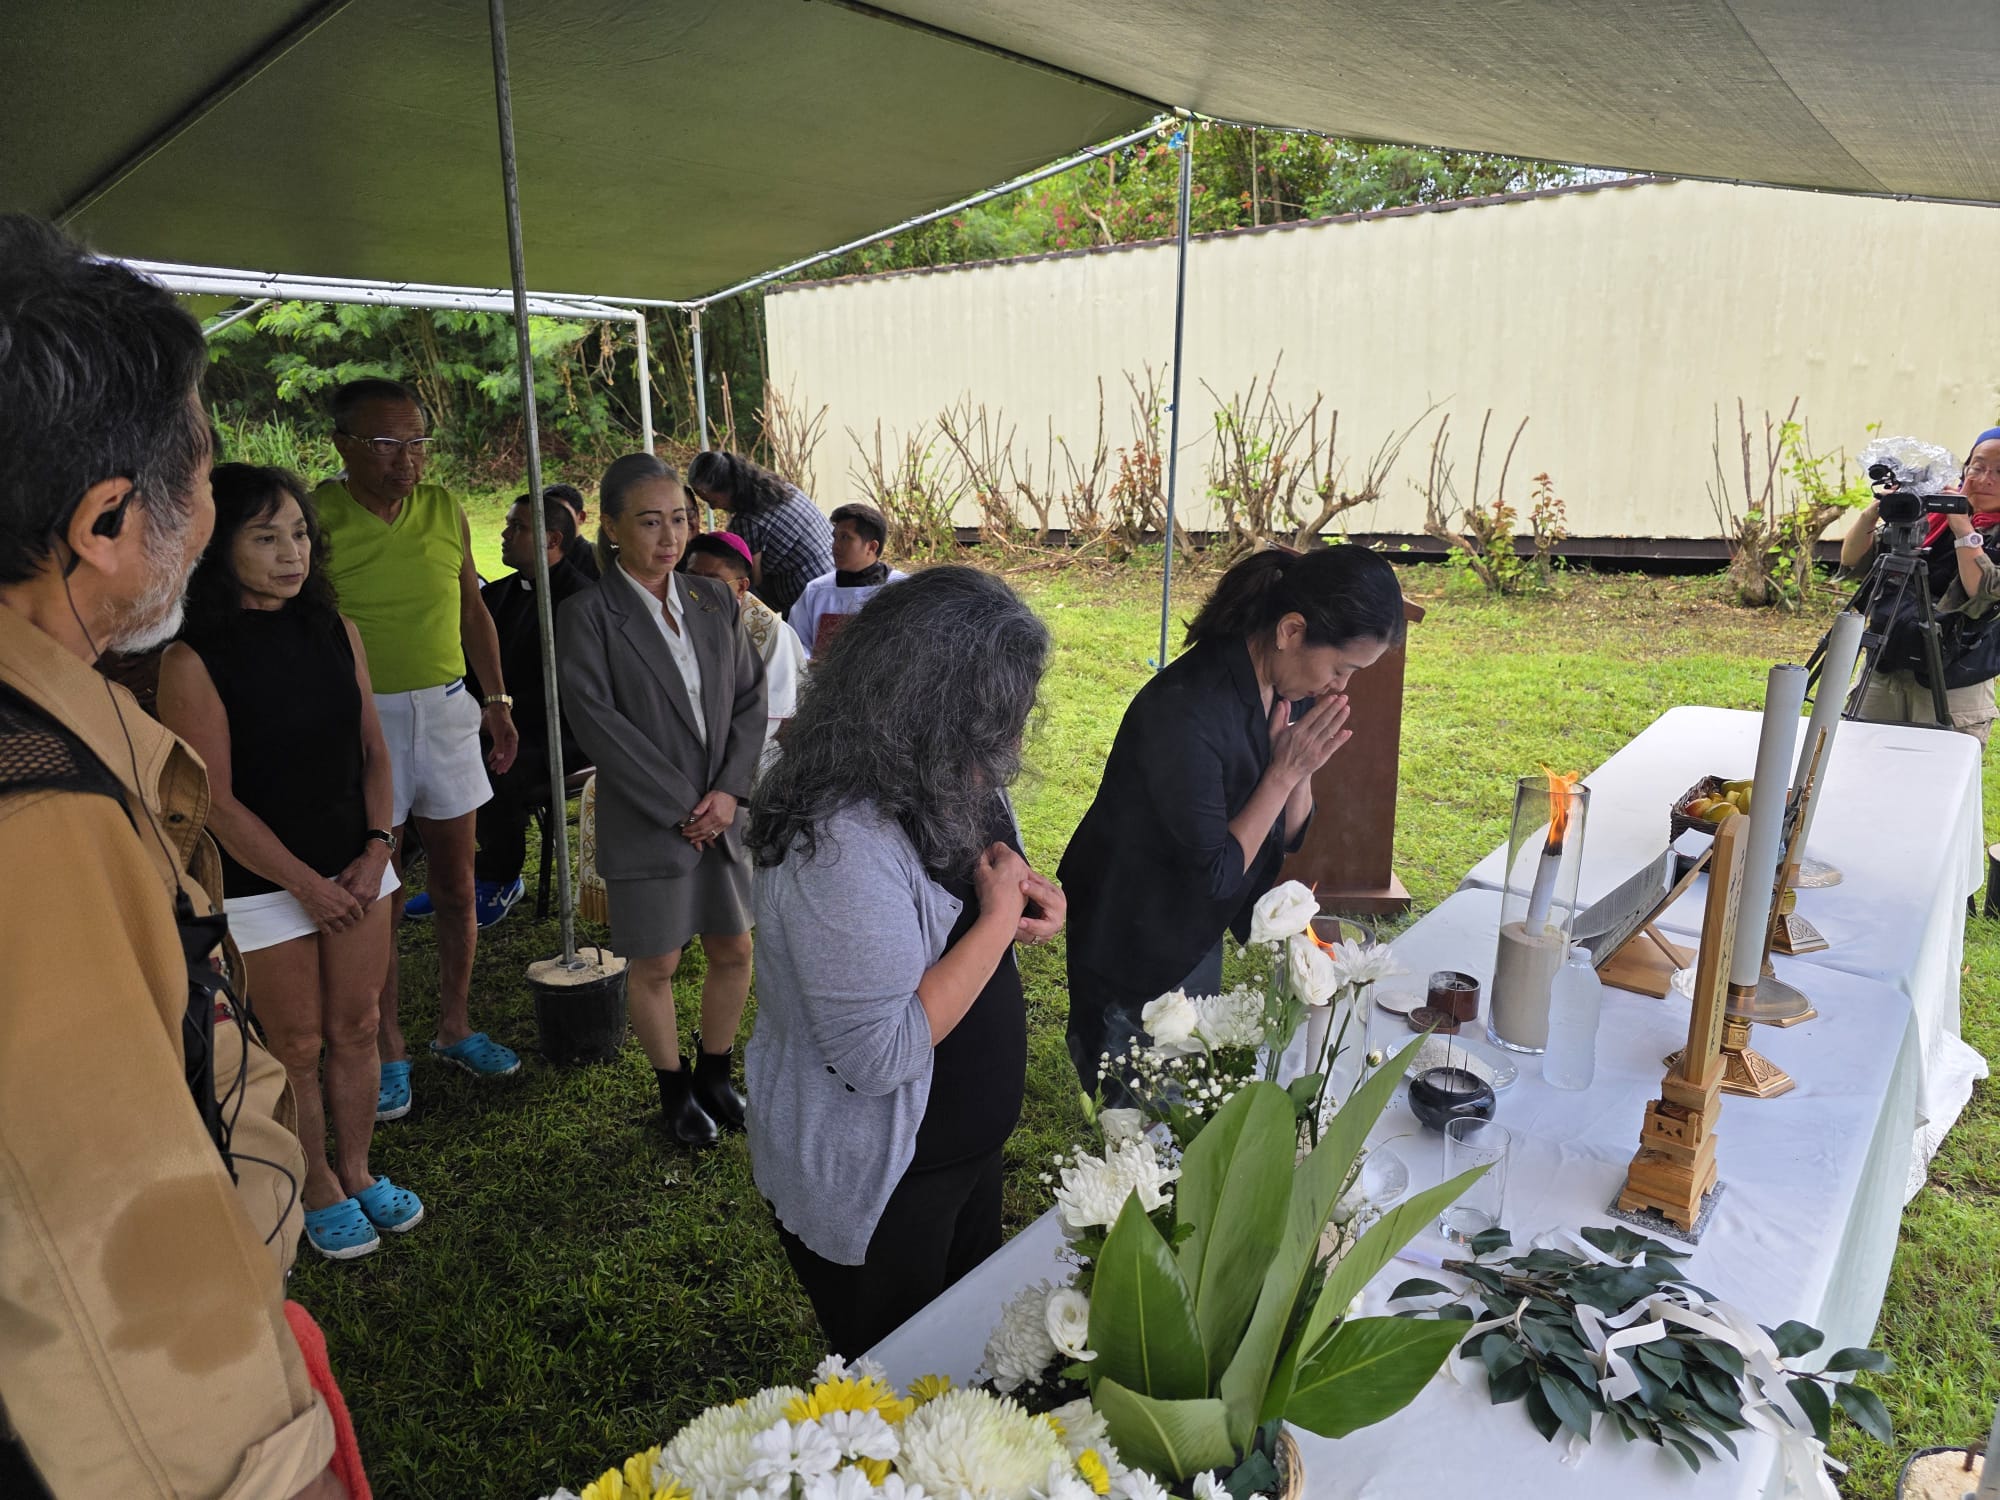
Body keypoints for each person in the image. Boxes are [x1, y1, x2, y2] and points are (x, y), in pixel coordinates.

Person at [0, 216, 344, 1495]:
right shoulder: (39, 821)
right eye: (199, 475)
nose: (214, 512)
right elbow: (112, 1280)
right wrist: (272, 1466)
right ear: (103, 523)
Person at [746, 566, 1064, 1357]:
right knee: (898, 1383)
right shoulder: (837, 837)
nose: (1014, 744)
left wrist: (1024, 891)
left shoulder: (956, 771)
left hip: (960, 1152)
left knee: (968, 1357)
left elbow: (985, 865)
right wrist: (995, 922)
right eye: (1002, 721)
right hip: (882, 1179)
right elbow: (880, 1054)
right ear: (927, 710)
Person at [159, 464, 423, 1261]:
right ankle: (314, 1184)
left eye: (300, 534)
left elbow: (375, 754)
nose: (291, 553)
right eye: (265, 536)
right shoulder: (190, 659)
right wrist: (305, 885)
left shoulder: (336, 630)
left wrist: (376, 852)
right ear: (215, 546)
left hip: (357, 869)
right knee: (296, 1044)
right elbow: (219, 804)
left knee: (358, 1025)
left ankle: (358, 1167)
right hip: (262, 886)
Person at [1059, 544, 1405, 1094]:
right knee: (1139, 1108)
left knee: (1190, 1079)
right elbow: (1214, 875)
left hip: (1197, 922)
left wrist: (1298, 771)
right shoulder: (1187, 712)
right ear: (1291, 630)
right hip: (1134, 927)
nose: (1342, 686)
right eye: (1342, 668)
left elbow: (1289, 835)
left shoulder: (1291, 688)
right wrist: (1281, 775)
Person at [314, 378, 521, 1123]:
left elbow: (472, 608)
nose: (408, 459)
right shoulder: (316, 517)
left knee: (460, 884)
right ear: (344, 445)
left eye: (418, 442)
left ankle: (456, 1025)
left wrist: (495, 701)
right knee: (383, 892)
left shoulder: (444, 510)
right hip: (362, 721)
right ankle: (392, 1045)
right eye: (387, 443)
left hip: (444, 709)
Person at [557, 455, 768, 1147]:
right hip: (655, 821)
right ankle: (672, 1087)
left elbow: (748, 699)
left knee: (733, 947)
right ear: (612, 527)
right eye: (649, 522)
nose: (669, 535)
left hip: (722, 815)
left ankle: (715, 1071)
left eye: (679, 518)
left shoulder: (711, 602)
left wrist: (729, 793)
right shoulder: (587, 616)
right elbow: (599, 726)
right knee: (656, 962)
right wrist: (688, 807)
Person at [407, 490, 590, 923]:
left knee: (497, 764)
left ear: (552, 539)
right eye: (507, 525)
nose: (505, 536)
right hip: (494, 718)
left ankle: (500, 876)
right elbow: (468, 666)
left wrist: (497, 716)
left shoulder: (582, 602)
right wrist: (474, 711)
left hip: (564, 729)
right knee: (424, 752)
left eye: (518, 527)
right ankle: (452, 876)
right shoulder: (495, 597)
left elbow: (572, 689)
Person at [1840, 427, 2000, 746]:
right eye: (1978, 467)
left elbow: (1981, 593)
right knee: (1860, 760)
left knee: (1937, 780)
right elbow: (1851, 558)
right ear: (1965, 467)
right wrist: (1879, 509)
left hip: (1954, 679)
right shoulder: (1927, 514)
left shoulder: (1963, 521)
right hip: (1887, 664)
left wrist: (1960, 522)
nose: (1986, 479)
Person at [683, 530, 808, 770]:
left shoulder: (772, 634)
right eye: (691, 576)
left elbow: (771, 714)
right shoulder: (675, 616)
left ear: (741, 586)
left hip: (747, 756)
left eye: (712, 580)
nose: (697, 588)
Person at [684, 449, 833, 617]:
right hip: (832, 580)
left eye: (712, 500)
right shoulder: (781, 489)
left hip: (805, 598)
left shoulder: (747, 522)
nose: (712, 508)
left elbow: (753, 582)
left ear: (727, 489)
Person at [787, 501, 908, 656]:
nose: (835, 546)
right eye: (835, 537)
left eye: (845, 538)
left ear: (872, 547)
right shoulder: (816, 591)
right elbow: (796, 644)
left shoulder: (902, 589)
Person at [546, 481, 600, 580]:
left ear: (581, 517)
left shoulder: (599, 559)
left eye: (562, 513)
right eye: (547, 512)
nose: (552, 519)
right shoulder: (537, 558)